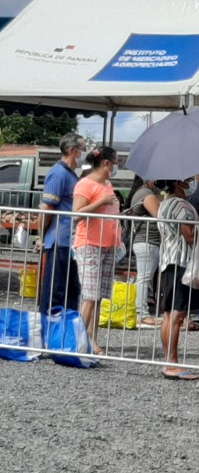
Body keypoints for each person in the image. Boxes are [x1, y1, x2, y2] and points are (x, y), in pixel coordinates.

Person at [157, 179, 199, 380]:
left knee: (169, 314)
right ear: (179, 183)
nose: (192, 183)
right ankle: (171, 362)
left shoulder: (165, 203)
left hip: (168, 259)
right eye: (189, 180)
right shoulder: (181, 205)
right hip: (180, 261)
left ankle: (169, 360)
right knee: (177, 315)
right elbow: (190, 235)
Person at [72, 146, 122, 355]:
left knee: (98, 296)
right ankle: (78, 341)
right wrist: (100, 202)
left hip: (108, 244)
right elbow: (76, 214)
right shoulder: (85, 184)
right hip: (90, 243)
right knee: (90, 295)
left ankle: (92, 340)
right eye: (116, 162)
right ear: (106, 164)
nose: (117, 166)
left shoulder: (107, 184)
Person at [38, 133, 86, 317]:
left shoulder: (70, 174)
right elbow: (46, 209)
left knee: (70, 292)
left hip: (69, 242)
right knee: (55, 293)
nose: (83, 153)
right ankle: (47, 334)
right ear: (72, 151)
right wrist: (42, 238)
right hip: (60, 240)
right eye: (82, 149)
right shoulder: (58, 174)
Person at [125, 176, 164, 328]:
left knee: (144, 277)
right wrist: (161, 202)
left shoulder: (144, 193)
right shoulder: (146, 194)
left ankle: (141, 312)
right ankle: (142, 313)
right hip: (147, 241)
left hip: (148, 241)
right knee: (144, 278)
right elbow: (159, 214)